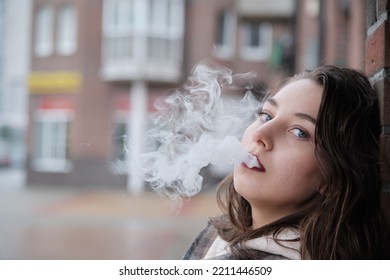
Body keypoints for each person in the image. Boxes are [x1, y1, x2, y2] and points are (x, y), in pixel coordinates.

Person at [182, 65, 390, 260]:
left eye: (300, 132)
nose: (260, 134)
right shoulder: (219, 234)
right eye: (266, 115)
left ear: (333, 178)